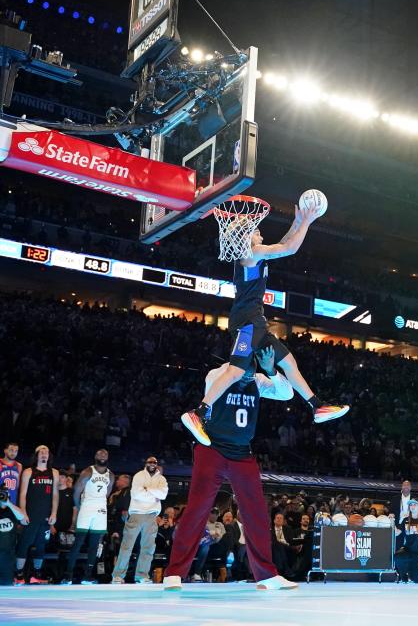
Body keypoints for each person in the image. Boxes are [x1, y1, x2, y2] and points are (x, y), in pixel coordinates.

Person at [181, 202, 348, 447]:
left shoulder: (255, 253)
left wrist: (298, 220)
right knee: (236, 371)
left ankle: (316, 406)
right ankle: (200, 412)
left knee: (289, 363)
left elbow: (284, 242)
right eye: (256, 230)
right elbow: (289, 248)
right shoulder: (251, 254)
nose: (261, 233)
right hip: (247, 322)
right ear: (246, 237)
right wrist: (308, 222)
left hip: (256, 322)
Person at [163, 347, 298, 591]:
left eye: (253, 371)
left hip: (241, 453)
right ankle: (174, 573)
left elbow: (287, 394)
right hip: (211, 448)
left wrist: (270, 370)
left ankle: (266, 576)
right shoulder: (217, 375)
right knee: (197, 509)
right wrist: (236, 365)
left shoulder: (256, 379)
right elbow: (224, 377)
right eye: (244, 371)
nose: (249, 376)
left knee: (256, 512)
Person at [112, 456, 168, 584]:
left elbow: (163, 494)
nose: (152, 464)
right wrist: (154, 494)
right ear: (146, 463)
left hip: (152, 515)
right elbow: (136, 494)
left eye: (154, 462)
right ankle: (118, 575)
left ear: (157, 464)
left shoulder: (162, 479)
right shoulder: (138, 476)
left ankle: (142, 576)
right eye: (150, 462)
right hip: (137, 514)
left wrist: (147, 490)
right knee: (127, 546)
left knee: (148, 548)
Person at [63, 448, 114, 584]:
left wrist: (99, 505)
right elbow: (76, 492)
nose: (102, 455)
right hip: (86, 508)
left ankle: (88, 575)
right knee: (78, 542)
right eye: (99, 453)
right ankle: (68, 574)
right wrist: (80, 507)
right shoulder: (88, 471)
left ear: (108, 457)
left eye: (105, 454)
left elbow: (107, 493)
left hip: (100, 511)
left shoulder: (111, 475)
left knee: (94, 545)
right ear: (95, 456)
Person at [16, 445, 59, 585]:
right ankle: (19, 575)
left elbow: (55, 495)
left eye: (46, 451)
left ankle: (36, 574)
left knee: (40, 546)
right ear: (36, 455)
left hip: (45, 516)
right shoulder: (29, 472)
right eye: (41, 452)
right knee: (24, 544)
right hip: (30, 514)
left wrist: (54, 513)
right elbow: (22, 494)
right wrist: (22, 512)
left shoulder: (54, 473)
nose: (44, 454)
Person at [395, 499, 418, 583]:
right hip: (407, 550)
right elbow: (397, 533)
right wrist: (392, 521)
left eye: (414, 505)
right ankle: (403, 576)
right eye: (411, 505)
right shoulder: (405, 520)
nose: (412, 506)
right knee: (398, 556)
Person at [0, 485, 26, 586]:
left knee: (6, 583)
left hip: (8, 554)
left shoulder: (12, 509)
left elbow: (22, 518)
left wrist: (9, 504)